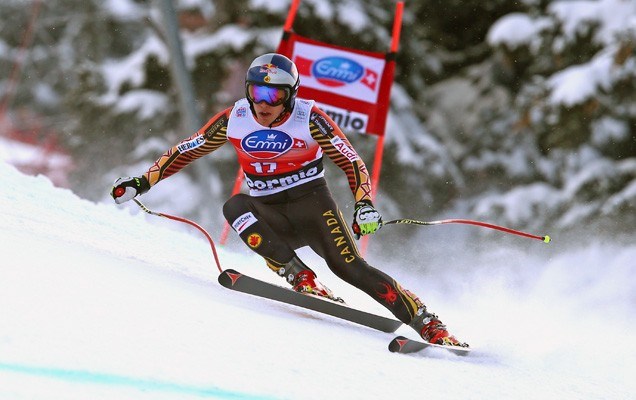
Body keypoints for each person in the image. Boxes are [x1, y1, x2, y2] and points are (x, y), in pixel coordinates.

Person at [111, 53, 467, 348]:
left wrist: (363, 204)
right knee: (235, 207)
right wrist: (141, 182)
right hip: (269, 212)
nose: (263, 104)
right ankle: (299, 275)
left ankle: (427, 322)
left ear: (291, 95)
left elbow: (351, 161)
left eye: (274, 95)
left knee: (348, 267)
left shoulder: (309, 118)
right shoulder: (235, 117)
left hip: (312, 205)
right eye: (256, 92)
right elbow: (187, 149)